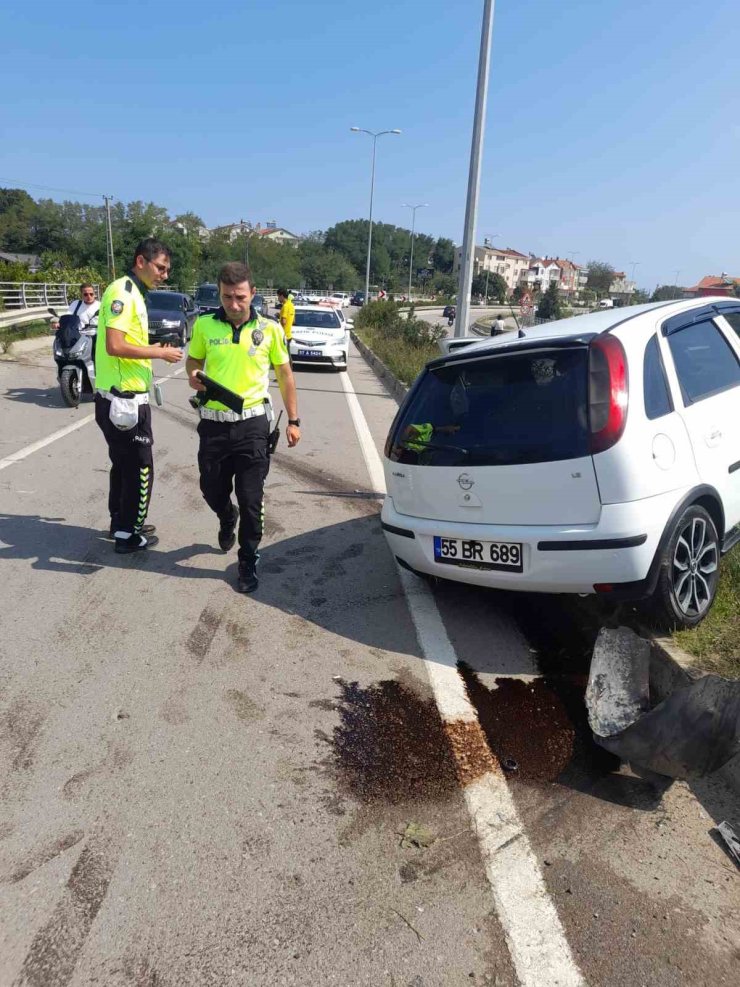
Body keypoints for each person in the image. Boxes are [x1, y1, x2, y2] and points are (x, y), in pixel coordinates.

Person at [186, 262, 301, 594]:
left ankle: (248, 558)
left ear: (253, 294)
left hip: (253, 425)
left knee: (252, 499)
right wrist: (193, 375)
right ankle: (226, 516)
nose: (233, 305)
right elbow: (193, 361)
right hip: (213, 426)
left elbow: (285, 376)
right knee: (211, 488)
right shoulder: (205, 326)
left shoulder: (270, 330)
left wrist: (293, 421)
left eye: (239, 297)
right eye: (226, 297)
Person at [94, 238, 183, 554]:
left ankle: (121, 522)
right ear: (141, 261)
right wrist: (160, 355)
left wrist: (152, 349)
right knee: (141, 467)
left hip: (122, 396)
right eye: (160, 268)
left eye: (167, 270)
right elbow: (114, 345)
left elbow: (126, 343)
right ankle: (128, 535)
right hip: (123, 400)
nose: (164, 275)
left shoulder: (134, 293)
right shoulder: (123, 292)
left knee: (123, 464)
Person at [276, 287, 295, 356]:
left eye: (278, 296)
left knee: (283, 356)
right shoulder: (291, 305)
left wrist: (278, 321)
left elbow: (283, 321)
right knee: (287, 355)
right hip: (289, 335)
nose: (278, 299)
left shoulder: (285, 306)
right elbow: (293, 321)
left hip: (283, 335)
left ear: (281, 296)